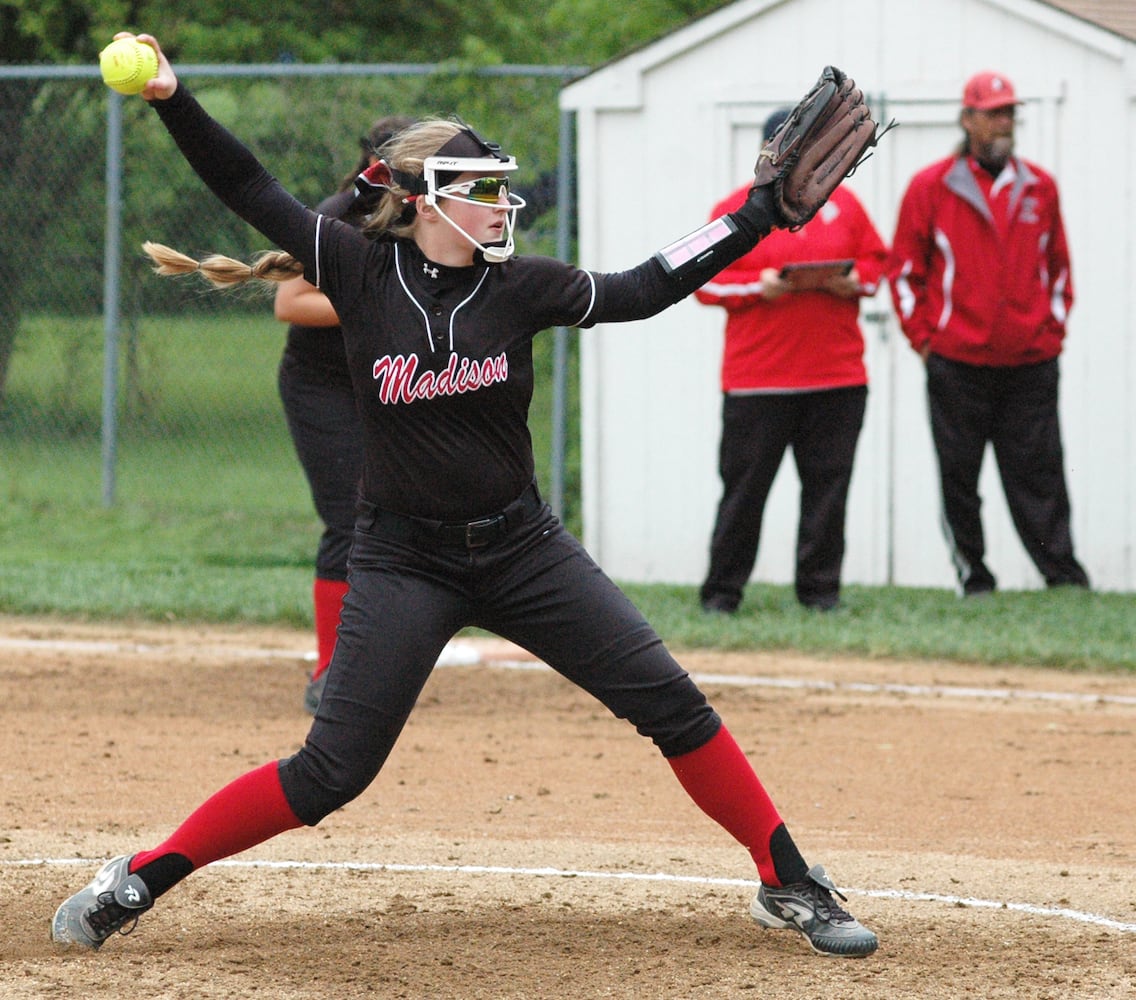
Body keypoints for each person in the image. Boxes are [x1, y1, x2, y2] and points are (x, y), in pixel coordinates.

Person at [51, 34, 879, 960]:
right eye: (484, 189)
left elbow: (645, 286)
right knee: (329, 773)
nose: (503, 204)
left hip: (525, 551)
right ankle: (143, 873)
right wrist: (172, 96)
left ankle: (788, 879)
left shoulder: (521, 285)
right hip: (406, 559)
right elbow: (248, 186)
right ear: (423, 199)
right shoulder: (361, 270)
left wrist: (756, 215)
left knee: (673, 705)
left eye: (502, 188)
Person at [888, 71, 1089, 596]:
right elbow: (905, 272)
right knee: (959, 478)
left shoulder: (1039, 186)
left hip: (1030, 363)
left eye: (1009, 113)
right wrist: (926, 342)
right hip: (957, 364)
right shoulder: (930, 187)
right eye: (994, 112)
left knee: (1040, 475)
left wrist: (1053, 331)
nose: (1004, 122)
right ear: (968, 118)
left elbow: (1060, 269)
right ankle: (974, 578)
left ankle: (1063, 579)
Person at [696, 109, 888, 615]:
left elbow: (876, 266)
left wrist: (852, 281)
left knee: (828, 490)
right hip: (758, 382)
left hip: (837, 378)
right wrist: (761, 287)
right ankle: (722, 595)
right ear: (768, 154)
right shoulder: (735, 211)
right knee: (745, 492)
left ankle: (821, 593)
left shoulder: (844, 206)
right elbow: (702, 282)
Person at [274, 115, 417, 715]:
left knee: (403, 514)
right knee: (351, 517)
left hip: (388, 383)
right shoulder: (339, 216)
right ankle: (332, 669)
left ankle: (382, 657)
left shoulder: (429, 217)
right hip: (324, 387)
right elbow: (290, 302)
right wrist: (377, 299)